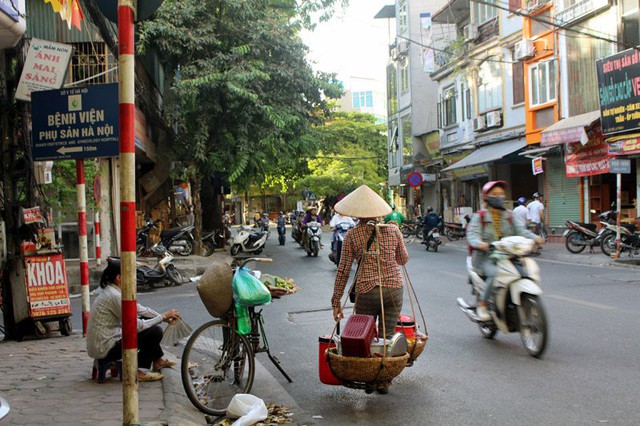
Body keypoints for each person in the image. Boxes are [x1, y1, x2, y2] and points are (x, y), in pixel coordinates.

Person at [330, 185, 409, 394]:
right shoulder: (393, 230)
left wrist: (336, 301)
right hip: (393, 289)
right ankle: (383, 380)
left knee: (364, 335)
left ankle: (367, 375)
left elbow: (343, 270)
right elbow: (403, 259)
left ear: (357, 214)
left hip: (366, 290)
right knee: (386, 335)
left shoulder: (352, 236)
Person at [86, 258, 181, 382]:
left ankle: (157, 360)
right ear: (119, 277)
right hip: (105, 348)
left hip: (102, 344)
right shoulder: (115, 296)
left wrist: (163, 317)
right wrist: (162, 317)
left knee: (149, 321)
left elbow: (139, 309)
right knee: (155, 332)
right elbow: (137, 326)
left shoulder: (113, 291)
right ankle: (135, 370)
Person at [467, 181, 545, 322]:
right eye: (494, 194)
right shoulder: (480, 216)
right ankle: (483, 305)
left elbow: (521, 231)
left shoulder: (509, 215)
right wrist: (480, 243)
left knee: (527, 269)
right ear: (486, 197)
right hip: (486, 257)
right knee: (494, 274)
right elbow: (472, 234)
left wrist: (536, 238)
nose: (499, 197)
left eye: (501, 194)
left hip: (509, 255)